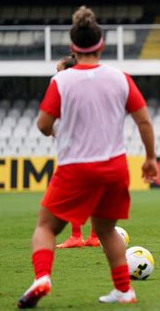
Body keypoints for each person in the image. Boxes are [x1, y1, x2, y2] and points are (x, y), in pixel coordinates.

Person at [17, 6, 158, 308]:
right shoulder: (120, 78)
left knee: (46, 227)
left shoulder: (62, 82)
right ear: (101, 44)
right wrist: (149, 158)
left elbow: (43, 125)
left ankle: (42, 277)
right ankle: (124, 291)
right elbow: (144, 121)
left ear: (73, 47)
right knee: (107, 230)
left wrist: (62, 129)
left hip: (76, 168)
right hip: (115, 167)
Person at [53, 54, 101, 249]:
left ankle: (76, 236)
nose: (56, 75)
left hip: (77, 150)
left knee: (74, 193)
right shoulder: (88, 89)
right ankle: (94, 236)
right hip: (94, 148)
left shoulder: (67, 91)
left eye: (58, 71)